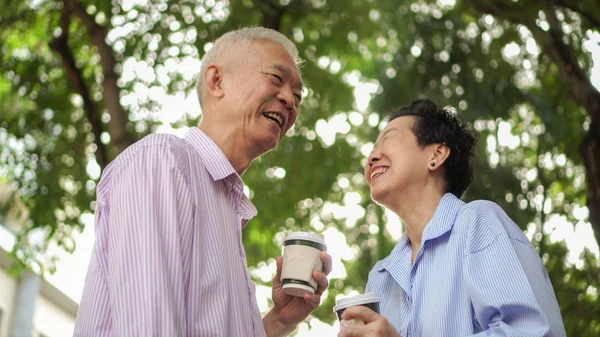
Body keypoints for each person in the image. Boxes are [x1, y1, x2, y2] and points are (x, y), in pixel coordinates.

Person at [74, 27, 332, 337]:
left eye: (298, 95)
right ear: (217, 81)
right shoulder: (163, 162)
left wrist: (281, 320)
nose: (291, 100)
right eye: (276, 79)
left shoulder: (226, 209)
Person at [338, 100, 566, 337]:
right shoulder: (381, 278)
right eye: (373, 147)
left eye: (389, 139)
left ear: (436, 155)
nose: (372, 157)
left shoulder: (478, 224)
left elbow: (530, 332)